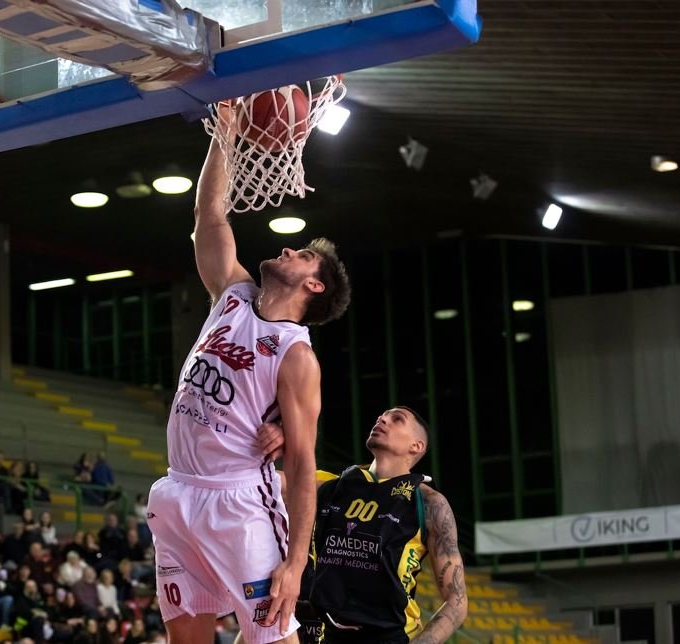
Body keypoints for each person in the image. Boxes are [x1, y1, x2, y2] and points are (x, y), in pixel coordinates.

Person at [146, 131, 351, 644]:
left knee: (273, 637)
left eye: (302, 255)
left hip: (238, 502)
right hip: (176, 491)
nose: (287, 249)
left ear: (314, 285)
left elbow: (301, 464)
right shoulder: (233, 295)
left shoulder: (296, 356)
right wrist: (226, 133)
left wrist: (296, 563)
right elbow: (209, 216)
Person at [257, 406, 469, 643]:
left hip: (392, 637)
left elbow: (457, 602)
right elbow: (255, 481)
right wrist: (279, 434)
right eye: (382, 416)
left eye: (397, 419)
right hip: (328, 634)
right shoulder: (328, 486)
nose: (383, 419)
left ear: (416, 446)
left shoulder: (429, 503)